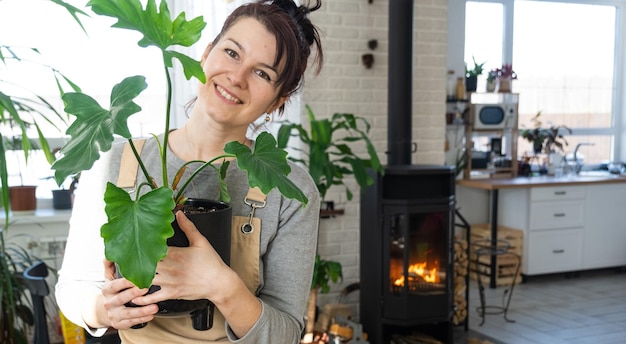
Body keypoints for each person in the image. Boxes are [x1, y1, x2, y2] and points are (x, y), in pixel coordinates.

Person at [55, 0, 324, 342]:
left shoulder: (287, 188)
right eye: (231, 53)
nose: (236, 77)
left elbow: (286, 333)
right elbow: (73, 286)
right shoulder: (117, 161)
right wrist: (103, 309)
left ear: (277, 102)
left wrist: (222, 285)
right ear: (206, 54)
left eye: (262, 73)